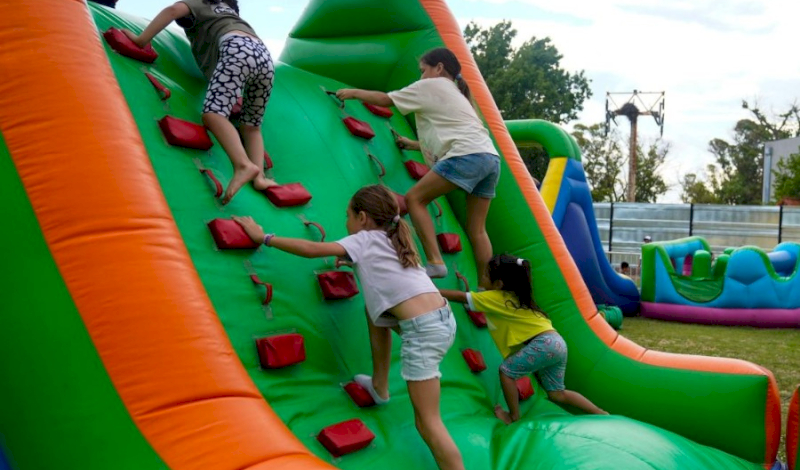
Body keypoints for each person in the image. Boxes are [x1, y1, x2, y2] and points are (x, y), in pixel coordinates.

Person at [233, 185, 464, 470]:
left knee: (427, 422)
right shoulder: (394, 238)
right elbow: (386, 277)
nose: (346, 223)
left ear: (363, 217)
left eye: (348, 217)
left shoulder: (365, 239)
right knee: (374, 308)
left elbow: (312, 249)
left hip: (423, 332)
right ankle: (379, 386)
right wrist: (354, 258)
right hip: (442, 319)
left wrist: (264, 237)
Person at [336, 48, 500, 287]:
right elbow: (445, 133)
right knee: (478, 230)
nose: (421, 77)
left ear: (439, 68)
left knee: (415, 199)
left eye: (423, 70)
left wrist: (353, 92)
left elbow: (386, 100)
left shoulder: (431, 86)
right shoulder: (457, 93)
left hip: (466, 155)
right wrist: (411, 144)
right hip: (490, 159)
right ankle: (488, 285)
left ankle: (435, 261)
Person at [122, 0, 275, 204]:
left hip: (237, 49)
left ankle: (243, 165)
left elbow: (173, 10)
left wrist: (141, 40)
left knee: (213, 114)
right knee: (252, 126)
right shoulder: (230, 14)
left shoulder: (198, 3)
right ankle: (260, 179)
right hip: (264, 58)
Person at [439, 254, 608, 424]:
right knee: (557, 393)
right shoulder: (517, 298)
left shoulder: (498, 298)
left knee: (506, 372)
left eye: (485, 275)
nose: (482, 277)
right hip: (557, 342)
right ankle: (600, 412)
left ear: (499, 284)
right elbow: (475, 300)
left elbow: (462, 298)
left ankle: (513, 417)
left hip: (543, 344)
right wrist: (468, 288)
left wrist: (431, 291)